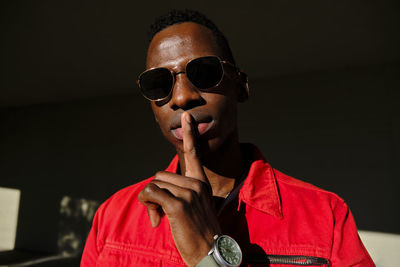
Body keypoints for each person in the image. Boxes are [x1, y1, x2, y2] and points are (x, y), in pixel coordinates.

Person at [81, 9, 374, 267]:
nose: (182, 97)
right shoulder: (112, 216)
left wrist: (206, 257)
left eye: (204, 73)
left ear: (241, 86)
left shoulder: (326, 217)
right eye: (159, 83)